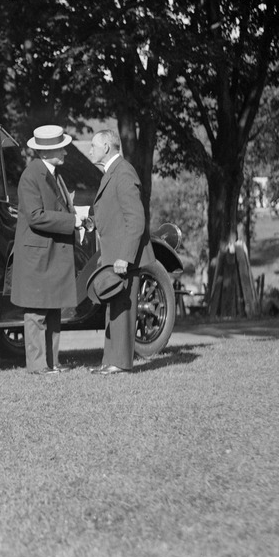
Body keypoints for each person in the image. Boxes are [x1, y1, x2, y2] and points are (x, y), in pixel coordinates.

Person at [11, 125, 84, 374]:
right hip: (38, 254)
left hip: (47, 252)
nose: (65, 151)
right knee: (36, 311)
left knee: (52, 308)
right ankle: (38, 367)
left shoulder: (49, 173)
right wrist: (72, 221)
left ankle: (51, 363)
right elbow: (35, 216)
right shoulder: (32, 175)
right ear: (44, 152)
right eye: (59, 147)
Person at [87, 128, 155, 375]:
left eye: (93, 145)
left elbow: (136, 219)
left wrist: (124, 258)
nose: (90, 150)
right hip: (114, 255)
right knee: (114, 308)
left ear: (106, 146)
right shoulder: (112, 172)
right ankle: (111, 362)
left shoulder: (123, 172)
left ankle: (120, 363)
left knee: (122, 310)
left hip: (124, 257)